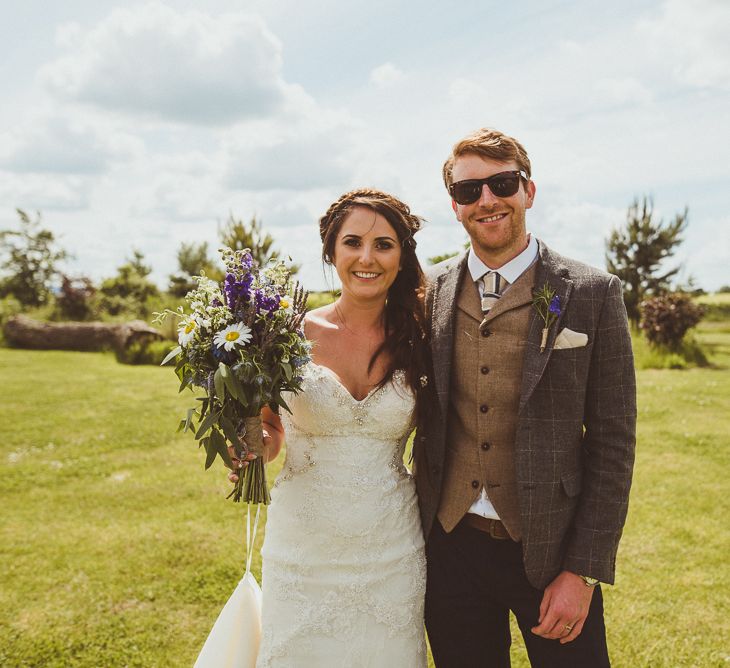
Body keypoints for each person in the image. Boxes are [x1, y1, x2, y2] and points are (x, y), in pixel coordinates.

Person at [414, 128, 637, 667]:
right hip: (450, 546)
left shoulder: (593, 293)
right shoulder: (429, 292)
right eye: (470, 191)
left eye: (502, 183)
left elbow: (612, 442)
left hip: (553, 549)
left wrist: (582, 570)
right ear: (455, 207)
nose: (487, 199)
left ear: (528, 191)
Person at [230, 189, 431, 667]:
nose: (367, 257)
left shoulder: (422, 338)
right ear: (331, 252)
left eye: (384, 244)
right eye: (353, 242)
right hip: (304, 546)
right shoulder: (284, 334)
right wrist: (254, 447)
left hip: (392, 548)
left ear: (402, 258)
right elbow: (269, 429)